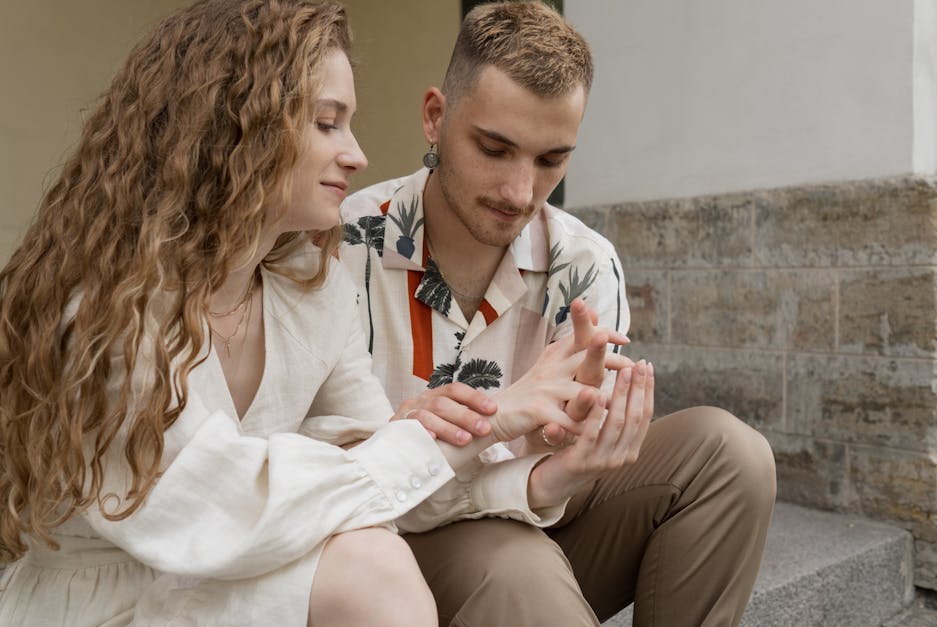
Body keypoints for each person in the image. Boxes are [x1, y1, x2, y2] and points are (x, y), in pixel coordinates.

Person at [0, 1, 632, 625]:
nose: (357, 155)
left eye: (551, 159)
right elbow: (225, 507)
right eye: (327, 124)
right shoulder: (116, 308)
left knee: (377, 552)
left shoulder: (307, 285)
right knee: (374, 572)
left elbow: (375, 475)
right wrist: (484, 423)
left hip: (239, 582)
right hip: (113, 600)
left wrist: (518, 468)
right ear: (234, 128)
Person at [340, 2, 778, 626]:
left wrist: (578, 450)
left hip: (541, 518)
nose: (521, 192)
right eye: (494, 148)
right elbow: (336, 486)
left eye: (551, 160)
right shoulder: (342, 246)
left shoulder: (585, 262)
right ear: (435, 117)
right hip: (384, 553)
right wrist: (516, 455)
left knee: (732, 455)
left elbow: (561, 476)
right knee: (517, 563)